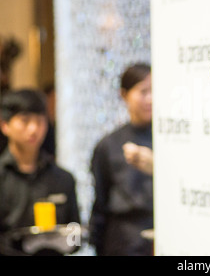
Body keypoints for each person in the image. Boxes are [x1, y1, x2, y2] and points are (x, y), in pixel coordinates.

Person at [0, 89, 80, 255]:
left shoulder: (64, 178)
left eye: (40, 121)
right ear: (5, 125)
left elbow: (76, 239)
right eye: (25, 121)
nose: (34, 129)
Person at [89, 63, 153, 256]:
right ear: (124, 94)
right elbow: (101, 202)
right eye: (143, 92)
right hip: (123, 242)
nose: (150, 99)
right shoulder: (108, 145)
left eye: (154, 90)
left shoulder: (169, 138)